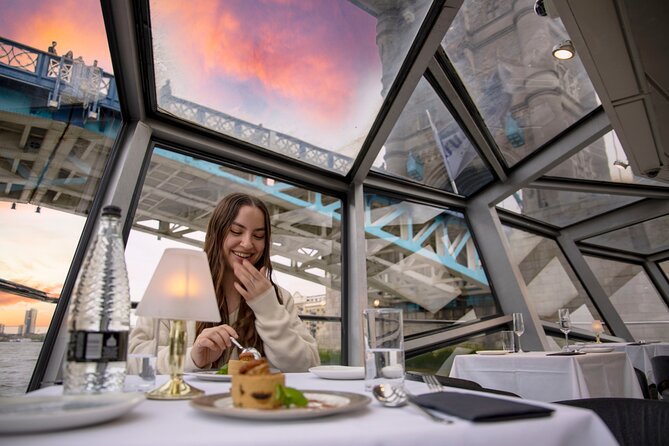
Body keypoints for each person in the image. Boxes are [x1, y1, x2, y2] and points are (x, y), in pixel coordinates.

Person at [129, 193, 320, 374]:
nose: (247, 243)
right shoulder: (175, 288)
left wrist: (268, 309)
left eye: (258, 236)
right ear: (216, 233)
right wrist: (193, 357)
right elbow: (134, 359)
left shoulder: (279, 298)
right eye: (236, 231)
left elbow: (307, 366)